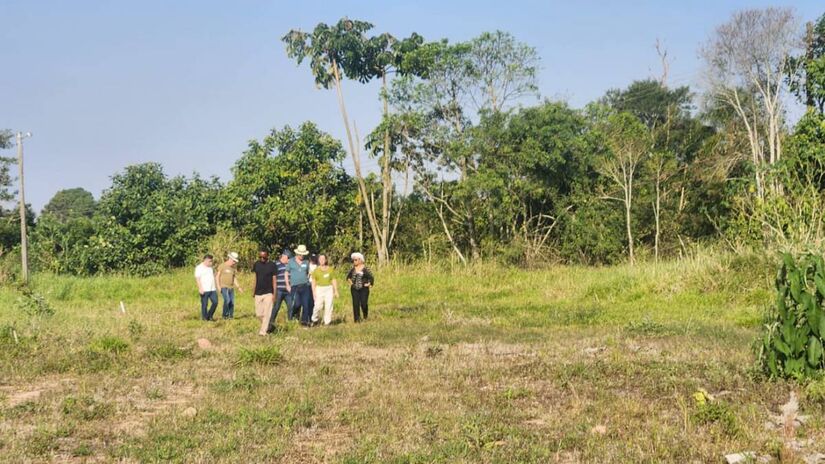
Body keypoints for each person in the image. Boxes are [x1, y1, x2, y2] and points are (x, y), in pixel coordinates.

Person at [285, 245, 312, 327]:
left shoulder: (306, 262)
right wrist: (287, 285)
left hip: (305, 285)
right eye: (300, 254)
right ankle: (294, 315)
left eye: (303, 254)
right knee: (297, 303)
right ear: (297, 254)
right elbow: (286, 273)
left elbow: (308, 273)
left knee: (306, 304)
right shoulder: (291, 261)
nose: (302, 256)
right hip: (294, 286)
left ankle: (304, 322)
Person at [251, 251, 277, 336]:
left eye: (264, 257)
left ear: (267, 256)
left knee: (267, 313)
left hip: (269, 292)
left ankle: (263, 332)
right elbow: (255, 278)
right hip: (258, 292)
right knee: (258, 314)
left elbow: (274, 281)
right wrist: (253, 290)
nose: (262, 259)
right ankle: (269, 326)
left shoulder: (272, 265)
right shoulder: (256, 264)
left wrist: (274, 294)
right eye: (260, 257)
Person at [267, 250, 293, 332]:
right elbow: (272, 277)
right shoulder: (276, 264)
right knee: (276, 307)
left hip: (288, 290)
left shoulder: (290, 265)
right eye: (288, 258)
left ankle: (290, 322)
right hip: (279, 290)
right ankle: (271, 323)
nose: (289, 260)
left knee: (291, 306)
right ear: (284, 256)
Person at [311, 254, 339, 325]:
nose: (322, 260)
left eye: (323, 259)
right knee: (318, 306)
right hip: (319, 289)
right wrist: (314, 291)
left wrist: (335, 290)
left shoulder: (330, 269)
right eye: (320, 259)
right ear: (318, 260)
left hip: (328, 289)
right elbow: (313, 281)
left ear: (326, 260)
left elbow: (333, 279)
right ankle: (314, 319)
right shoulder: (316, 270)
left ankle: (327, 322)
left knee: (329, 305)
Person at [346, 252, 374, 323]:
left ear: (360, 260)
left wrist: (369, 284)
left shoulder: (366, 268)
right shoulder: (352, 269)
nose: (354, 261)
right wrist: (351, 284)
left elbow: (371, 277)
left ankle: (365, 314)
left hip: (364, 289)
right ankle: (357, 320)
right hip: (354, 289)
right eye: (353, 260)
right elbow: (348, 277)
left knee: (363, 303)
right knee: (355, 304)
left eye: (355, 260)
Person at [216, 252, 242, 320]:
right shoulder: (222, 266)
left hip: (231, 287)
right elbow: (217, 277)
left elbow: (234, 279)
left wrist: (238, 287)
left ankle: (231, 316)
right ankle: (225, 315)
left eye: (235, 261)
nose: (234, 263)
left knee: (232, 302)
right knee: (227, 300)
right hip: (224, 287)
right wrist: (218, 286)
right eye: (233, 261)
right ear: (230, 259)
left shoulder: (232, 269)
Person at [194, 254, 218, 321]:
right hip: (204, 289)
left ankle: (209, 316)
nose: (211, 263)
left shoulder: (210, 268)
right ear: (205, 260)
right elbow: (197, 279)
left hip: (212, 289)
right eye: (210, 261)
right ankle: (204, 318)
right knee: (204, 304)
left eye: (211, 261)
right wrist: (200, 288)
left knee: (215, 302)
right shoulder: (199, 268)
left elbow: (213, 276)